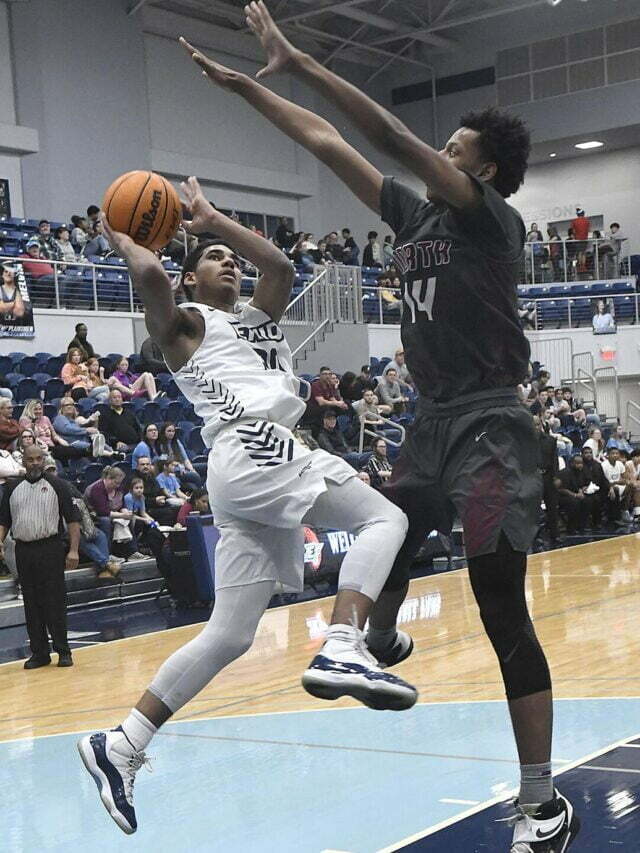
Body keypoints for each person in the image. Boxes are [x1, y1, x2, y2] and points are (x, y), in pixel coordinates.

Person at [237, 5, 578, 846]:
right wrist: (252, 88)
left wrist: (306, 62)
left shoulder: (489, 218)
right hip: (430, 423)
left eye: (455, 148)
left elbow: (385, 133)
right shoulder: (413, 217)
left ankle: (542, 803)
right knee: (386, 528)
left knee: (500, 606)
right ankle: (372, 638)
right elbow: (328, 145)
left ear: (484, 168)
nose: (442, 153)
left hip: (494, 424)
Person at [78, 173, 415, 834]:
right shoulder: (187, 324)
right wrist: (123, 237)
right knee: (388, 517)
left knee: (230, 633)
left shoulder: (254, 320)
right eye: (213, 257)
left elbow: (282, 264)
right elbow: (152, 281)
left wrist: (212, 219)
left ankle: (121, 744)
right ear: (191, 279)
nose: (228, 261)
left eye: (231, 257)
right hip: (254, 444)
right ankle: (344, 641)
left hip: (247, 467)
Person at [0, 444, 79, 668]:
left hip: (50, 548)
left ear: (44, 460)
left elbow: (73, 521)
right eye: (30, 459)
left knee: (54, 601)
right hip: (23, 550)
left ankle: (64, 651)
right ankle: (39, 653)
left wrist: (73, 550)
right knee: (31, 603)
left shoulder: (58, 485)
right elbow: (4, 520)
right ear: (23, 461)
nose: (35, 463)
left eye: (38, 459)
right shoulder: (12, 488)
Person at [19, 399, 93, 467]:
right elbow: (29, 436)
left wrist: (60, 440)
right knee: (68, 451)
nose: (38, 411)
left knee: (68, 449)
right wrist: (33, 423)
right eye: (35, 409)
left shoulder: (45, 419)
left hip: (52, 446)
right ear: (30, 410)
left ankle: (91, 450)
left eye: (40, 409)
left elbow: (54, 434)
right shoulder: (25, 420)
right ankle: (90, 450)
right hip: (40, 448)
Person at [556, 453, 600, 534]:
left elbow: (584, 483)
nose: (580, 465)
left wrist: (583, 489)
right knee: (574, 503)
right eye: (577, 463)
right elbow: (561, 489)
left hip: (577, 494)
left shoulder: (582, 471)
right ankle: (571, 527)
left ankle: (582, 525)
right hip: (563, 496)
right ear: (572, 463)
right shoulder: (565, 472)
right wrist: (575, 495)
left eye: (581, 463)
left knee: (588, 501)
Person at [134, 456, 179, 526]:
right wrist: (154, 500)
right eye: (142, 464)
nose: (145, 466)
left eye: (147, 464)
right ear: (137, 466)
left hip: (156, 505)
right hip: (144, 509)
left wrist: (162, 499)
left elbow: (160, 492)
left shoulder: (152, 478)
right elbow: (138, 500)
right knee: (169, 512)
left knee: (176, 508)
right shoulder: (135, 480)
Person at [158, 422, 202, 489]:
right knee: (195, 477)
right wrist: (178, 465)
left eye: (173, 431)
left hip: (182, 467)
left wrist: (192, 469)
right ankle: (199, 493)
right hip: (173, 470)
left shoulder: (177, 442)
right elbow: (165, 462)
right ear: (164, 432)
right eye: (169, 431)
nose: (171, 433)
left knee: (204, 467)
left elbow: (185, 459)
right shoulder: (160, 444)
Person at [601, 447, 632, 525]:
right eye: (613, 453)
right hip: (607, 487)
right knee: (615, 489)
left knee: (630, 485)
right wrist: (613, 485)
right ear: (608, 455)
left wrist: (616, 482)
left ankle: (624, 511)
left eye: (617, 453)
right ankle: (616, 518)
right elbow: (603, 481)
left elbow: (625, 479)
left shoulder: (620, 464)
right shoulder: (603, 465)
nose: (615, 455)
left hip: (617, 485)